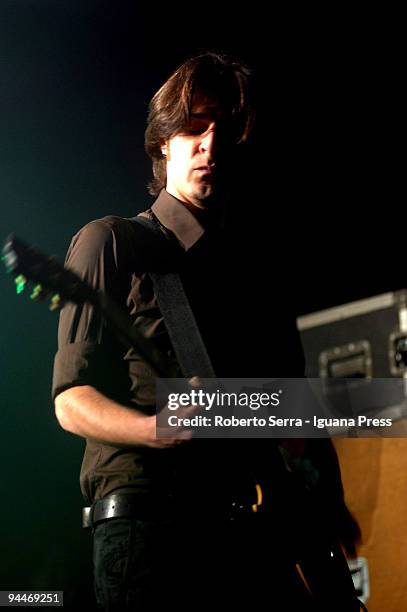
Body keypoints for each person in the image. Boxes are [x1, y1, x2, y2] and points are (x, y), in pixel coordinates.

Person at [52, 52, 362, 611]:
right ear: (163, 142)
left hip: (248, 530)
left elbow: (293, 408)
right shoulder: (113, 242)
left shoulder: (257, 276)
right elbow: (71, 400)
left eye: (223, 131)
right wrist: (155, 428)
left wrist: (328, 500)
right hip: (148, 530)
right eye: (194, 127)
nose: (209, 145)